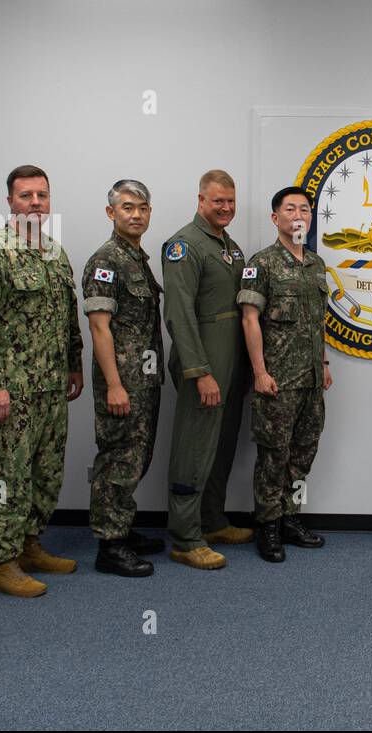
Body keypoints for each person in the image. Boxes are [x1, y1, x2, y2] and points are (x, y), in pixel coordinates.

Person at [0, 164, 83, 597]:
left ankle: (30, 545)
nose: (35, 203)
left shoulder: (53, 253)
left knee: (46, 474)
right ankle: (1, 562)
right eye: (26, 195)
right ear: (10, 200)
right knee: (7, 476)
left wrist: (74, 364)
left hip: (50, 389)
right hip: (11, 391)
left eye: (42, 195)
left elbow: (68, 318)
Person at [162, 170, 253, 570]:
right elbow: (179, 315)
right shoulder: (184, 245)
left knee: (222, 442)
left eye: (231, 201)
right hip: (204, 361)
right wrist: (200, 371)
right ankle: (185, 536)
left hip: (232, 359)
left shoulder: (228, 246)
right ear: (201, 200)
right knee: (194, 445)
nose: (226, 208)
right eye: (218, 201)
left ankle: (212, 520)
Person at [238, 186, 332, 563]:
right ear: (275, 218)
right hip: (277, 381)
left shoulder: (316, 265)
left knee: (303, 455)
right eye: (290, 208)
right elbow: (249, 320)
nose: (298, 215)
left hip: (310, 380)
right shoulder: (261, 264)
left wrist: (323, 364)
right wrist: (259, 372)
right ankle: (268, 525)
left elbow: (317, 323)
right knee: (273, 457)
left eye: (305, 209)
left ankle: (291, 518)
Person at [82, 180, 164, 577]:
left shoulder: (137, 258)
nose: (136, 214)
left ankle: (122, 527)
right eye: (128, 207)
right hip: (123, 381)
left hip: (144, 378)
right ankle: (109, 545)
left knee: (136, 457)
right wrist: (114, 384)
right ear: (111, 212)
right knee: (117, 459)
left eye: (143, 207)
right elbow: (100, 328)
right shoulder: (106, 260)